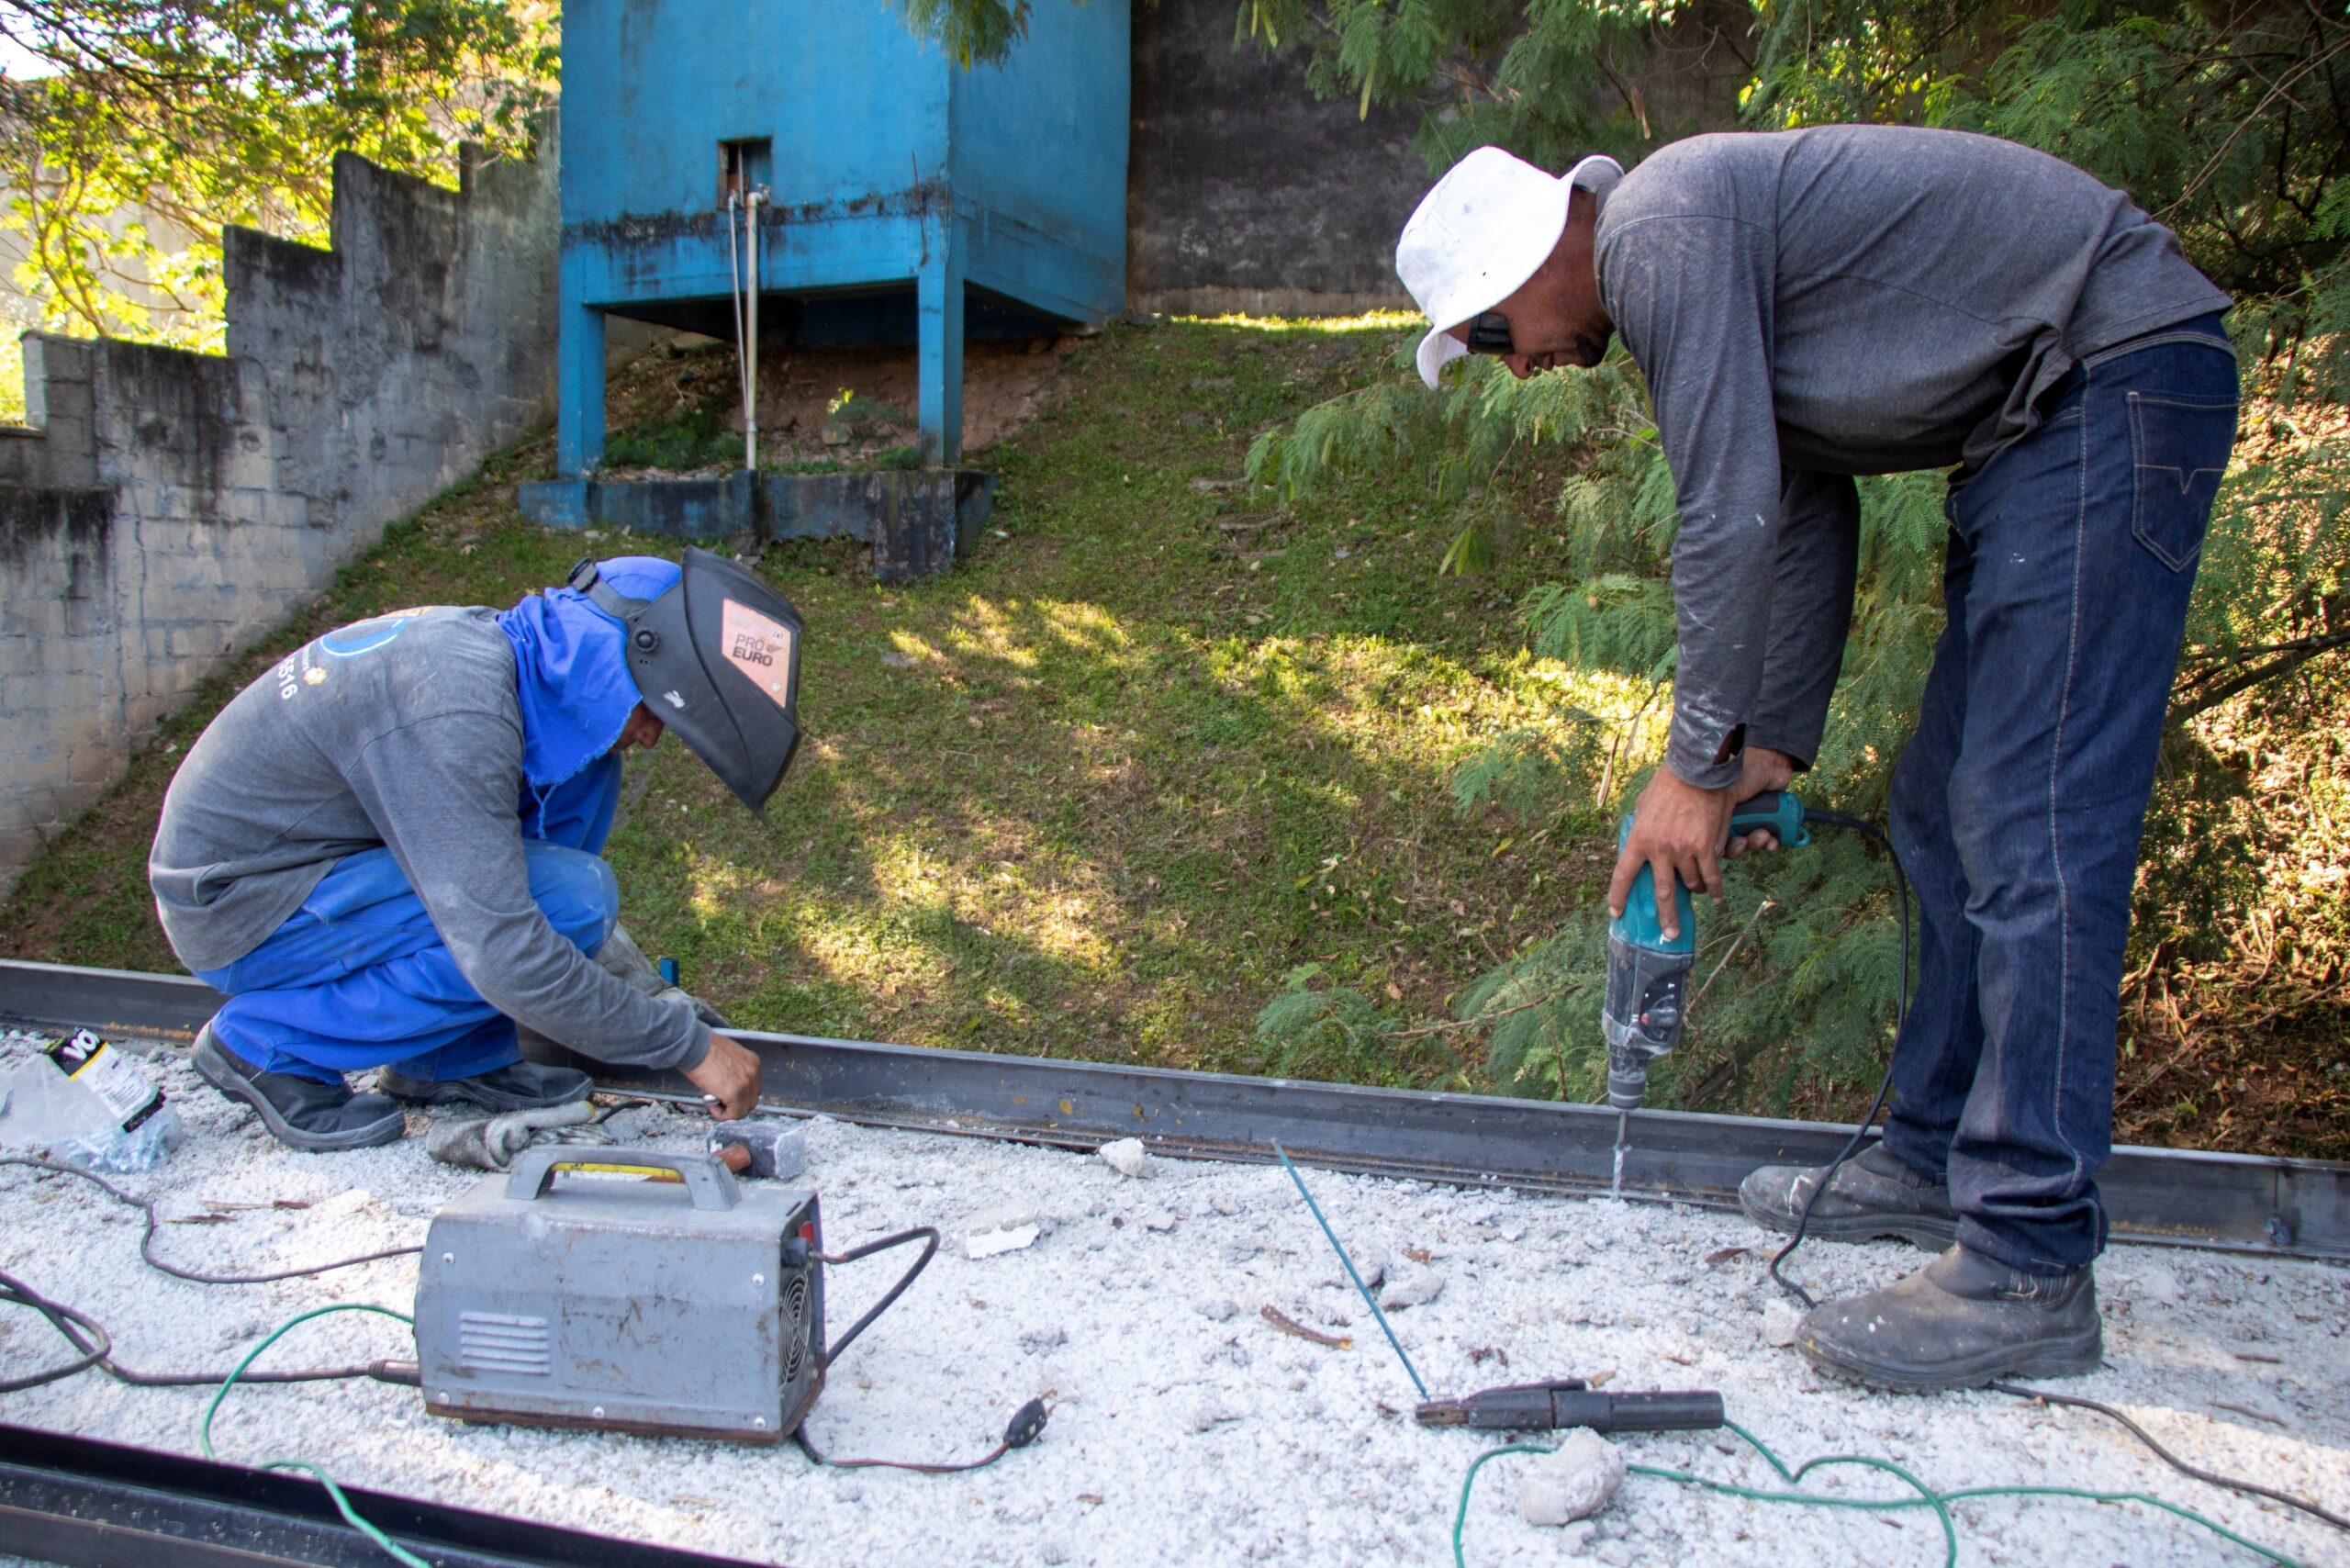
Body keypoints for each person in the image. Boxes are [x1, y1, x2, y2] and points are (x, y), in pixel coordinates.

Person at [1395, 127, 2236, 1391]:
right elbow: (1797, 501)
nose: (1518, 371)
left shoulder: (1656, 232)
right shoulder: (1679, 245)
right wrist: (1766, 749)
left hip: (2105, 385)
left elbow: (1722, 508)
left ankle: (2028, 1262)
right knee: (1948, 816)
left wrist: (1692, 765)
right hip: (2048, 429)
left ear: (1534, 257)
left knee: (2032, 823)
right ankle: (1935, 1151)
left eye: (1495, 338)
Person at [150, 548, 805, 1152]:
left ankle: (447, 1061)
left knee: (583, 808)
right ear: (613, 660)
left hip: (320, 877)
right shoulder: (451, 709)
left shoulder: (516, 677)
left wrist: (643, 1007)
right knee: (572, 900)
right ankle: (268, 1044)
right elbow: (504, 944)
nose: (656, 736)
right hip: (245, 908)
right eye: (654, 707)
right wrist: (684, 1044)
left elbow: (504, 899)